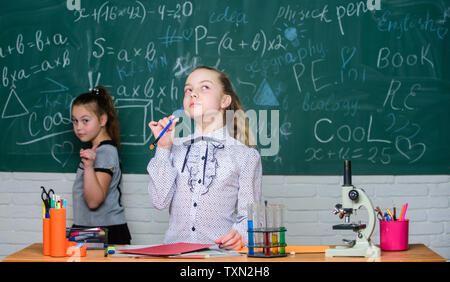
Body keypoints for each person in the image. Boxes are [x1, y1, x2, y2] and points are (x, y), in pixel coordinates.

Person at [147, 66, 262, 250]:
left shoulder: (245, 155)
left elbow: (252, 218)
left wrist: (240, 235)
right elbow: (159, 201)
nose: (193, 94)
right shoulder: (173, 148)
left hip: (218, 255)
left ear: (224, 100)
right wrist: (163, 148)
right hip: (173, 254)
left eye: (204, 87)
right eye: (188, 89)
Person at [71, 86, 131, 244]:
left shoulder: (104, 153)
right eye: (75, 121)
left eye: (85, 120)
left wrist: (89, 167)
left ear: (102, 120)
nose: (78, 127)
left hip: (102, 232)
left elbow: (93, 201)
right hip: (91, 229)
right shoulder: (97, 151)